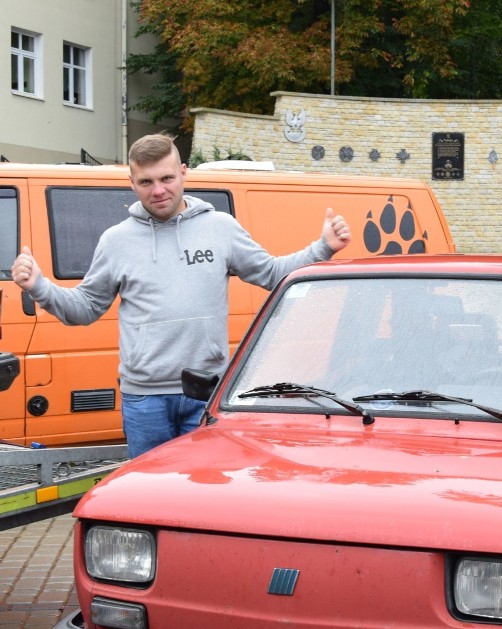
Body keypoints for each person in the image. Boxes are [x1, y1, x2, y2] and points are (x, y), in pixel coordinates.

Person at [11, 134, 352, 457]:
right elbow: (85, 309)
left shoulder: (220, 227)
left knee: (203, 498)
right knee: (149, 498)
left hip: (207, 394)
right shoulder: (116, 241)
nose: (158, 190)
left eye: (167, 178)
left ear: (183, 173)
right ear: (132, 183)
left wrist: (323, 247)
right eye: (146, 182)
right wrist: (40, 286)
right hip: (144, 401)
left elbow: (273, 274)